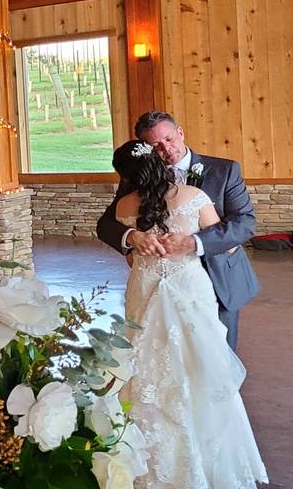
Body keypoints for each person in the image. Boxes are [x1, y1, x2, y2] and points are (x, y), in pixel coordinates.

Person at [109, 139, 267, 487]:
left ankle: (148, 460)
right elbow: (229, 240)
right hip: (189, 286)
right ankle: (208, 451)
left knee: (145, 361)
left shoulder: (124, 204)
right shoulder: (192, 196)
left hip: (145, 284)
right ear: (156, 162)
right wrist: (191, 243)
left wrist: (138, 240)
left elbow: (128, 252)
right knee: (200, 360)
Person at [97, 111, 260, 350]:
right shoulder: (136, 177)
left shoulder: (224, 170)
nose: (166, 148)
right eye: (156, 145)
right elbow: (105, 225)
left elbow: (244, 222)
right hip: (158, 280)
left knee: (219, 352)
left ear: (180, 132)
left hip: (218, 273)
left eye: (169, 139)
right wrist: (132, 236)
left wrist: (194, 242)